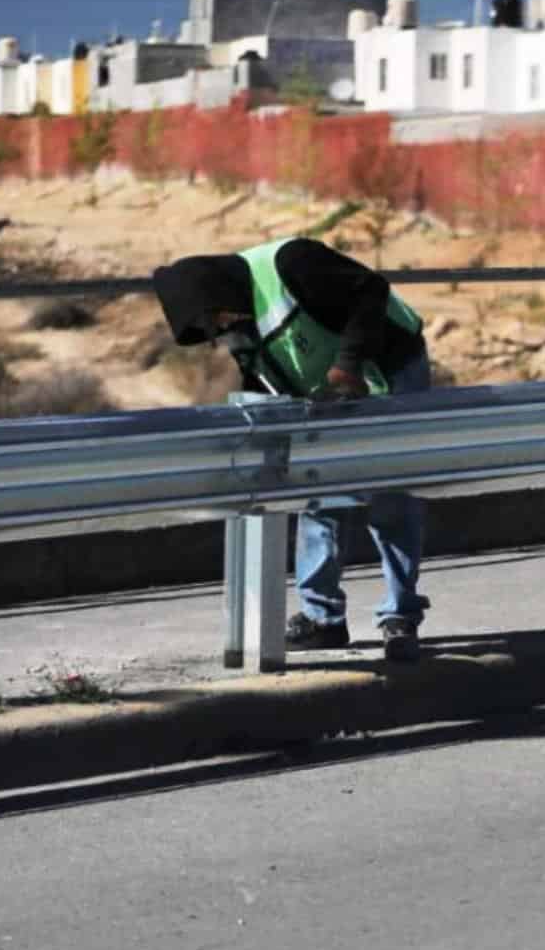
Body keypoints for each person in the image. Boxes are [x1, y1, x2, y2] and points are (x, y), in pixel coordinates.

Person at [152, 237, 432, 662]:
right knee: (319, 494)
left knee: (391, 497)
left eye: (217, 317)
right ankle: (323, 620)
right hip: (327, 392)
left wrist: (349, 365)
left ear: (216, 289)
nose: (224, 326)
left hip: (389, 368)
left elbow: (371, 291)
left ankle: (400, 615)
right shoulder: (238, 325)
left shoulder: (292, 263)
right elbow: (264, 379)